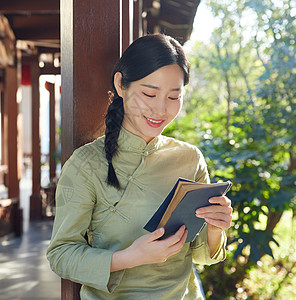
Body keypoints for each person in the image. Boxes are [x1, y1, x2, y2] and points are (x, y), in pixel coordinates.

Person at [46, 34, 233, 299]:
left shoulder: (190, 159)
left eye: (173, 97)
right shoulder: (85, 164)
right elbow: (61, 255)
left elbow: (204, 255)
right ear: (121, 85)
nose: (160, 109)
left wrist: (216, 227)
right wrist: (128, 258)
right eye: (149, 93)